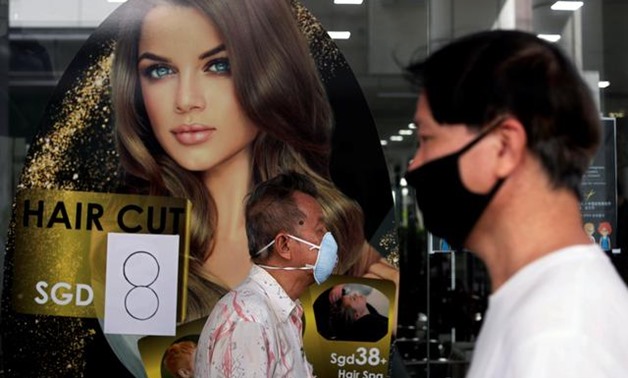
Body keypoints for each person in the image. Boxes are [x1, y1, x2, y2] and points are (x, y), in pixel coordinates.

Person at [111, 0, 395, 323]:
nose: (186, 100)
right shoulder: (128, 238)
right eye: (160, 71)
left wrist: (382, 323)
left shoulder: (338, 235)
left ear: (272, 74)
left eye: (218, 66)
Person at [404, 30, 628, 377]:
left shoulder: (559, 339)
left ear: (504, 147)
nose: (415, 164)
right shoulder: (540, 303)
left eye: (427, 139)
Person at [195, 171, 331, 377]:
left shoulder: (278, 312)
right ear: (284, 245)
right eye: (320, 230)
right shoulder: (250, 320)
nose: (329, 238)